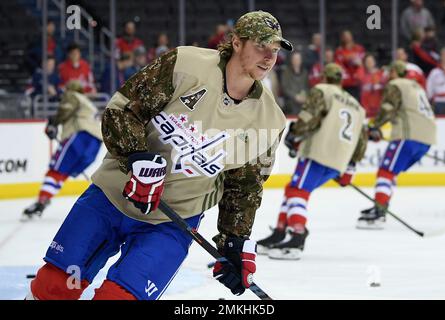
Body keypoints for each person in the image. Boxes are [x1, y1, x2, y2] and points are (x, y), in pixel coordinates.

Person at [26, 11, 291, 300]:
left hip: (172, 222)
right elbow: (123, 110)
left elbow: (244, 187)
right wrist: (136, 157)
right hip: (111, 197)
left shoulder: (269, 120)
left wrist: (234, 242)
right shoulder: (185, 64)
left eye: (274, 50)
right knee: (52, 288)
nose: (269, 57)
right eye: (261, 46)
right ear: (237, 42)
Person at [257, 63, 367, 260]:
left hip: (319, 152)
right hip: (340, 160)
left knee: (298, 191)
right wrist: (350, 169)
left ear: (324, 77)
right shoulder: (357, 106)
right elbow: (361, 139)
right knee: (294, 188)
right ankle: (281, 231)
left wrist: (295, 135)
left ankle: (298, 235)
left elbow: (309, 116)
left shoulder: (322, 91)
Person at [357, 61, 436, 229]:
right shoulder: (417, 87)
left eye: (389, 72)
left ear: (394, 73)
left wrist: (373, 126)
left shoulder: (396, 85)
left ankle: (379, 211)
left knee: (386, 171)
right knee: (391, 172)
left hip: (409, 135)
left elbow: (387, 108)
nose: (387, 76)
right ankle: (381, 203)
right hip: (427, 137)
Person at [22, 80, 102, 219]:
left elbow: (65, 109)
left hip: (80, 136)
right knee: (64, 172)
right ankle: (45, 199)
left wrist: (53, 123)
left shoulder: (73, 95)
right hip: (95, 144)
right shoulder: (88, 104)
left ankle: (42, 201)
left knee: (57, 169)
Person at [334, 30, 366, 100]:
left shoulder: (359, 49)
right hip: (344, 83)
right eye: (345, 36)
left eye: (348, 36)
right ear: (342, 38)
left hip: (356, 83)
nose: (347, 38)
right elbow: (338, 66)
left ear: (351, 36)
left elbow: (361, 63)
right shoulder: (339, 51)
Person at [426, 47, 445, 114]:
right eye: (444, 55)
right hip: (438, 102)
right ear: (441, 57)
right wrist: (429, 100)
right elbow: (429, 87)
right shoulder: (434, 72)